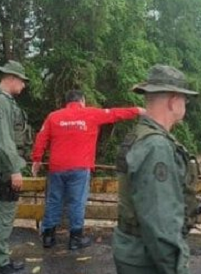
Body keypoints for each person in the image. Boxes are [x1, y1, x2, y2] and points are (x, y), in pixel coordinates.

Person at [112, 65, 201, 274]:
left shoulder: (139, 137)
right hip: (150, 259)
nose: (185, 104)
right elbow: (161, 220)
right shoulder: (156, 147)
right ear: (173, 100)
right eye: (184, 99)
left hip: (131, 251)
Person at [31, 89, 144, 250]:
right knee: (77, 202)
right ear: (82, 101)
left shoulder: (54, 116)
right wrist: (137, 110)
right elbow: (114, 114)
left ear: (67, 102)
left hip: (56, 167)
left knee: (53, 200)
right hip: (79, 167)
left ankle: (48, 237)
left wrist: (37, 159)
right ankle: (75, 239)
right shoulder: (90, 113)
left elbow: (41, 138)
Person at [0, 61, 32, 274]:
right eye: (22, 81)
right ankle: (0, 266)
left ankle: (2, 259)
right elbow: (4, 140)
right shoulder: (1, 102)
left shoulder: (3, 101)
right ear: (11, 78)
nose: (23, 85)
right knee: (3, 215)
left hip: (5, 165)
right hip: (5, 168)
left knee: (5, 213)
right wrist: (14, 169)